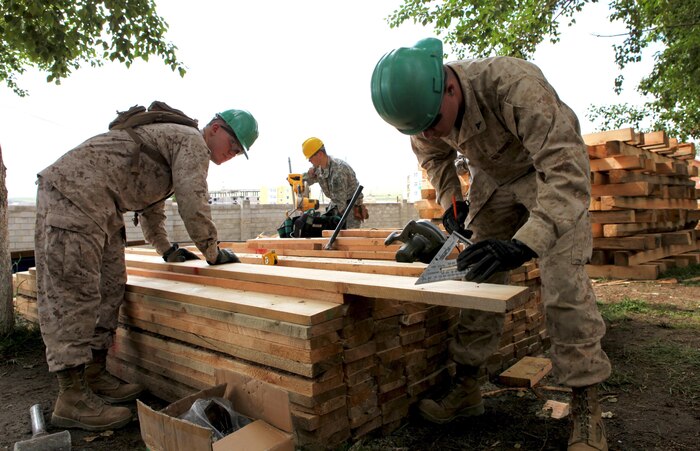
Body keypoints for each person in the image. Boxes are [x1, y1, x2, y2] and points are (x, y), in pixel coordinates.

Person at [371, 38, 611, 451]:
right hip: (494, 181)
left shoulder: (516, 87)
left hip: (547, 177)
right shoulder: (422, 112)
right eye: (418, 128)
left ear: (448, 86)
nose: (428, 132)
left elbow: (567, 174)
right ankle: (467, 388)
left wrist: (524, 244)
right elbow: (432, 157)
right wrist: (451, 200)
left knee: (563, 283)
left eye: (432, 122)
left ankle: (586, 407)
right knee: (478, 275)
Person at [34, 106, 258, 432]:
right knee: (74, 292)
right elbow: (192, 198)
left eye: (239, 152)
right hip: (75, 194)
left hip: (103, 205)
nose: (232, 154)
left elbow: (152, 207)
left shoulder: (174, 146)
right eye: (233, 144)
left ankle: (94, 375)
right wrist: (212, 251)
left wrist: (165, 249)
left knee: (111, 284)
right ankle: (72, 397)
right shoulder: (192, 141)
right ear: (214, 128)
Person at [301, 137, 367, 229]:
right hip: (337, 206)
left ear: (319, 154)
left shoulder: (338, 170)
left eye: (310, 157)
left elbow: (340, 203)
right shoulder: (320, 169)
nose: (309, 160)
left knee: (347, 239)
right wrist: (297, 180)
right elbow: (306, 179)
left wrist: (322, 220)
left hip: (349, 211)